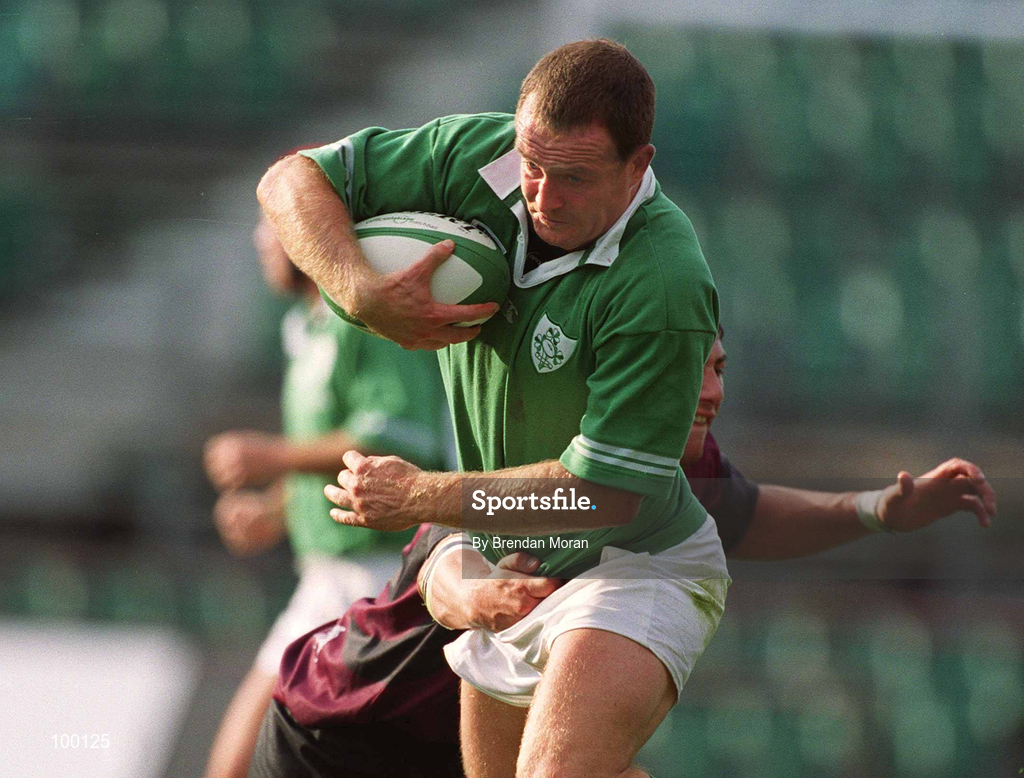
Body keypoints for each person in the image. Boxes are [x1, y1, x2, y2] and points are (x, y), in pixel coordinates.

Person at [258, 39, 725, 778]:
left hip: (631, 561)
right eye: (531, 165)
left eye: (572, 177)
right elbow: (290, 180)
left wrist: (419, 495)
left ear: (639, 166)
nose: (540, 195)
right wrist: (359, 291)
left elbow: (601, 493)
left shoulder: (662, 278)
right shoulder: (484, 159)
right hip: (505, 555)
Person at [247, 327, 996, 777]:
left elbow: (753, 513)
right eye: (689, 370)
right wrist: (486, 599)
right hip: (339, 737)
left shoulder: (674, 478)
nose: (710, 391)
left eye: (720, 368)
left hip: (457, 748)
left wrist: (879, 510)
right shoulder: (526, 464)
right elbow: (448, 568)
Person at [202, 214, 450, 778]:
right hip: (328, 576)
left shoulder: (366, 320)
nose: (259, 239)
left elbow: (396, 436)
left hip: (378, 578)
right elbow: (338, 461)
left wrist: (270, 457)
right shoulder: (307, 327)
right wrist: (278, 509)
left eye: (270, 224)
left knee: (245, 761)